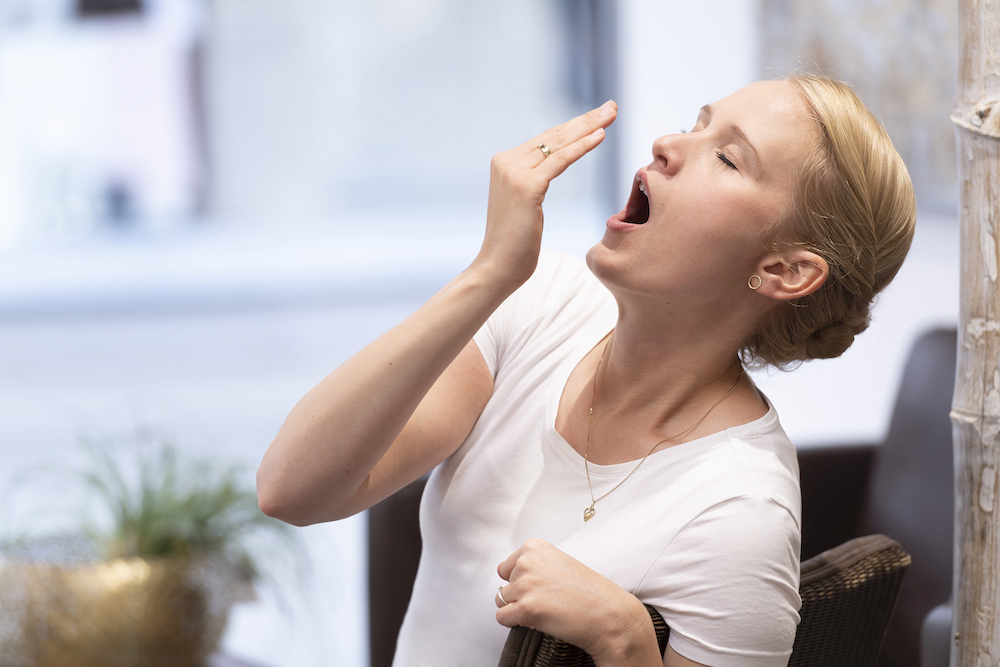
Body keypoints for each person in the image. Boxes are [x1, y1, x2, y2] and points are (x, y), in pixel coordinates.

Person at [256, 75, 915, 666]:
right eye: (696, 122)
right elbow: (294, 489)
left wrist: (624, 641)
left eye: (726, 155)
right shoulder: (541, 298)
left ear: (784, 270)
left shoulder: (742, 510)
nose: (665, 144)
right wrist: (491, 274)